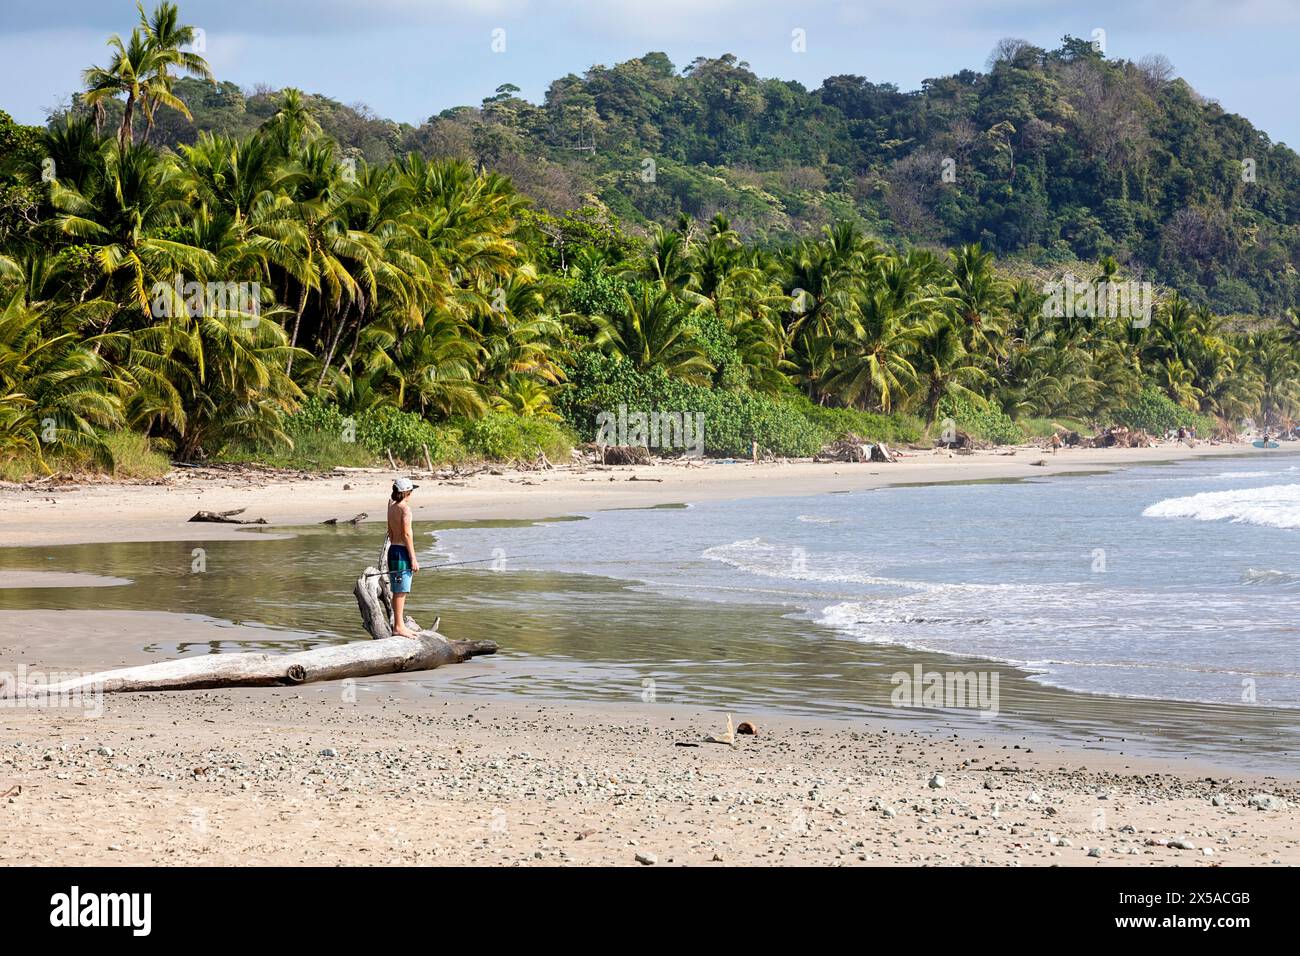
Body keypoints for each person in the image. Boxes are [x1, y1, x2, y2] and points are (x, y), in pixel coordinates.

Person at [386, 477, 421, 637]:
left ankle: (398, 625)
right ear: (407, 492)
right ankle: (399, 626)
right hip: (401, 553)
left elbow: (391, 532)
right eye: (411, 490)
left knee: (397, 590)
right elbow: (406, 533)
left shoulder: (391, 508)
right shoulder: (405, 509)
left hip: (393, 549)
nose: (412, 493)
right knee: (401, 591)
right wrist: (413, 557)